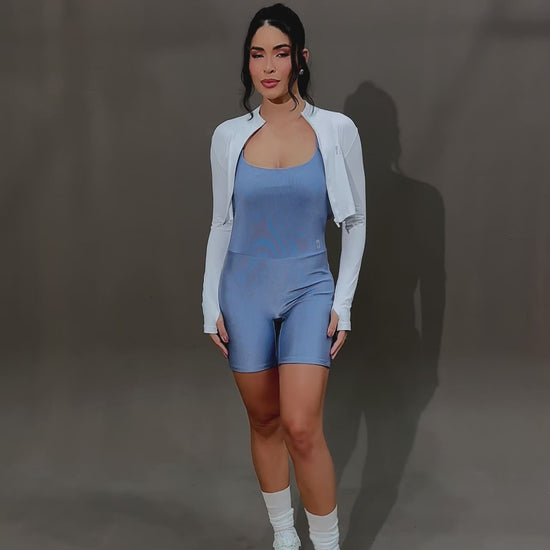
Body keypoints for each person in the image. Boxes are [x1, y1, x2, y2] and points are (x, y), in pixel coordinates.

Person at [201, 4, 366, 549]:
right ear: (247, 62)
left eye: (280, 53)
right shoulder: (228, 136)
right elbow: (221, 223)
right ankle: (284, 538)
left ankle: (326, 543)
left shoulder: (335, 130)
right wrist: (209, 304)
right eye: (257, 54)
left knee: (301, 425)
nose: (268, 66)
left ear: (301, 59)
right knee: (265, 421)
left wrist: (343, 302)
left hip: (309, 290)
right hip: (243, 292)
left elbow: (355, 220)